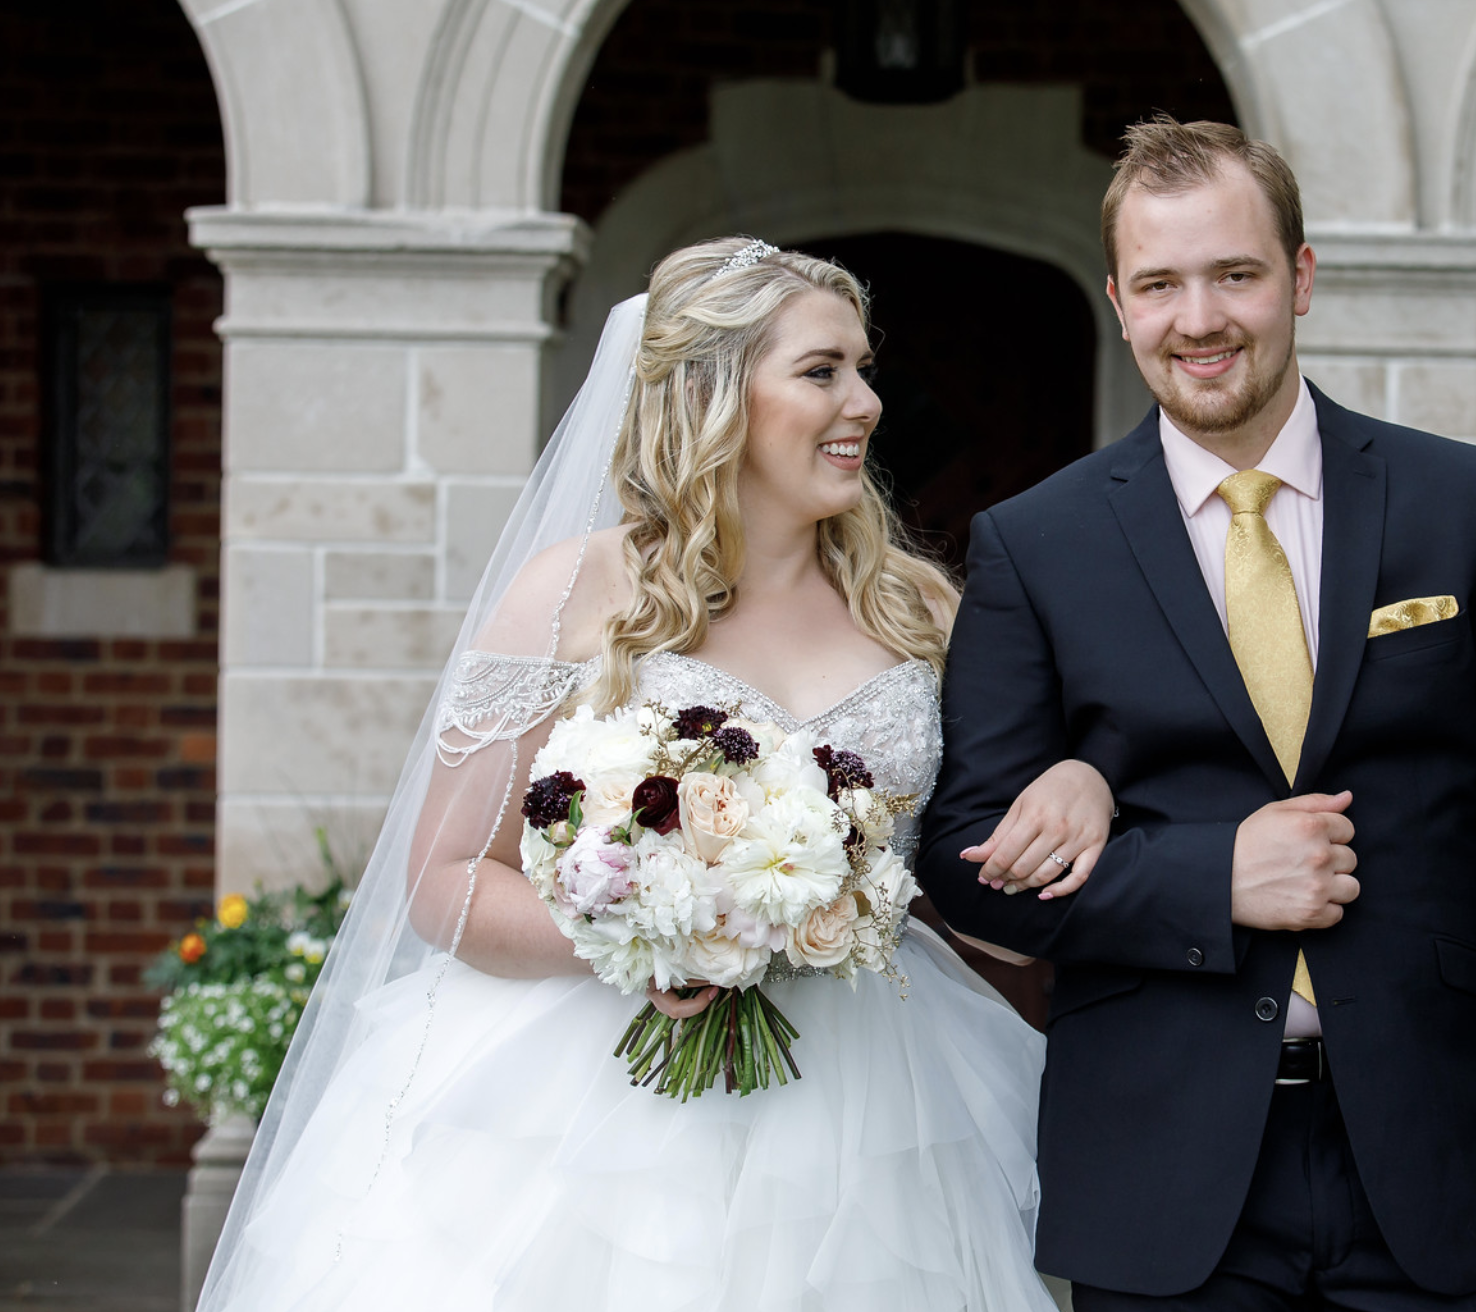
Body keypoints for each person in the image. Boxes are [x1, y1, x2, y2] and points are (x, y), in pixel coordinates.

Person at [196, 238, 1116, 1311]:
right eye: (822, 371)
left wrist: (1081, 786)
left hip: (869, 1112)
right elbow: (445, 880)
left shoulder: (922, 609)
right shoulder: (574, 592)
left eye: (863, 369)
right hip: (584, 1113)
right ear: (712, 393)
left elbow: (985, 870)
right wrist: (652, 939)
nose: (865, 402)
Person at [917, 116, 1476, 1310]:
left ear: (1299, 277)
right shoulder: (1036, 544)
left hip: (1442, 1154)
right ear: (1120, 302)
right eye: (1161, 284)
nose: (1199, 319)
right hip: (1161, 1168)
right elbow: (961, 860)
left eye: (1235, 274)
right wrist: (1210, 877)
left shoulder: (1464, 502)